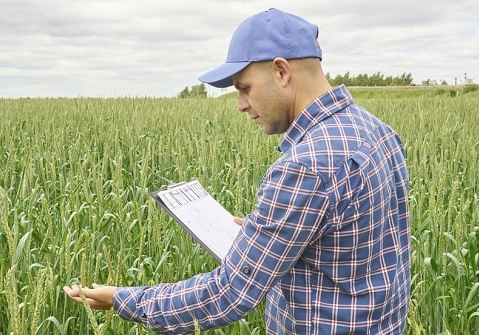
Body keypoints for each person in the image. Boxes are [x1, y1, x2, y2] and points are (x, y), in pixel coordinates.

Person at [64, 8, 411, 334]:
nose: (241, 105)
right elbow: (363, 243)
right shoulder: (376, 131)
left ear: (281, 71)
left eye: (245, 88)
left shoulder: (305, 166)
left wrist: (123, 300)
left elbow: (229, 292)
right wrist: (279, 232)